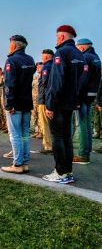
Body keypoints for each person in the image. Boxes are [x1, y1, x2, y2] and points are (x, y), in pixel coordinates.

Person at [43, 25, 85, 184]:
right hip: (71, 103)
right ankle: (67, 171)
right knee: (66, 137)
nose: (56, 40)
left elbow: (56, 82)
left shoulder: (61, 53)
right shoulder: (79, 54)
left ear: (61, 37)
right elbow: (82, 81)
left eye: (56, 37)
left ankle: (60, 172)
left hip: (59, 104)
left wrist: (50, 105)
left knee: (58, 138)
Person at [1, 35, 36, 174]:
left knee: (15, 134)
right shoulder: (30, 59)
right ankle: (25, 162)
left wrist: (9, 104)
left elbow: (9, 84)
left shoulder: (11, 60)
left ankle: (17, 164)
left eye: (10, 44)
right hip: (26, 101)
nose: (9, 46)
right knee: (24, 134)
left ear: (15, 46)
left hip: (15, 102)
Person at [72, 38, 101, 163]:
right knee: (87, 124)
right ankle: (87, 150)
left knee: (82, 125)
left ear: (82, 47)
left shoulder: (85, 58)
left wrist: (76, 98)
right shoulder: (96, 57)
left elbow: (82, 80)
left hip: (83, 96)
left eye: (77, 47)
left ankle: (83, 154)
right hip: (91, 95)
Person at [37, 49, 54, 154]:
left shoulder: (46, 68)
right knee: (52, 124)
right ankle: (51, 144)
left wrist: (42, 101)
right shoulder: (55, 66)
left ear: (47, 57)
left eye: (42, 56)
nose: (41, 58)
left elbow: (44, 86)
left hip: (44, 101)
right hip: (51, 100)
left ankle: (48, 146)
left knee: (45, 125)